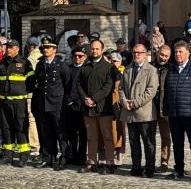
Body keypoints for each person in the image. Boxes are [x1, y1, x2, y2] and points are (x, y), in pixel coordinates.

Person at [164, 41, 191, 181]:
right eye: (176, 52)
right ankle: (179, 169)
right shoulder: (171, 69)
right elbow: (167, 91)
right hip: (175, 113)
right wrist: (166, 111)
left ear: (188, 53)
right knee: (177, 143)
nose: (178, 54)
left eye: (180, 52)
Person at [119, 44, 159, 178]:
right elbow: (121, 88)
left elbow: (151, 91)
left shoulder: (151, 70)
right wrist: (124, 101)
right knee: (133, 141)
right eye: (134, 52)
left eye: (139, 53)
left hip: (144, 113)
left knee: (148, 142)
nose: (136, 55)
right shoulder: (127, 69)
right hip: (129, 112)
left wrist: (135, 103)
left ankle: (149, 168)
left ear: (145, 54)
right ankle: (136, 167)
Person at [32, 37, 70, 170]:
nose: (46, 50)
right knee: (46, 132)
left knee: (60, 132)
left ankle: (64, 157)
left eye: (48, 48)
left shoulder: (61, 65)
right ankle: (48, 157)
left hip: (57, 103)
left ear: (55, 50)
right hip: (43, 103)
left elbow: (67, 83)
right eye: (44, 48)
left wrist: (64, 100)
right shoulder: (40, 64)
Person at [78, 40, 115, 174]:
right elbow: (79, 84)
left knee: (107, 137)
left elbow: (108, 87)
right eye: (93, 49)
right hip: (88, 108)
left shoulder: (109, 67)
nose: (94, 51)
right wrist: (85, 98)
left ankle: (109, 163)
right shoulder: (85, 66)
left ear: (102, 50)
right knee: (91, 137)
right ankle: (92, 162)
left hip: (103, 108)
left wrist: (94, 98)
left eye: (97, 49)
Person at [0, 39, 35, 167]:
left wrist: (21, 92)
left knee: (21, 127)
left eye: (11, 47)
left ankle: (23, 155)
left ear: (17, 49)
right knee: (6, 128)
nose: (8, 49)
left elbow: (31, 82)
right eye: (7, 47)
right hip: (4, 101)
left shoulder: (24, 63)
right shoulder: (2, 63)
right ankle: (8, 155)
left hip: (19, 102)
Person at [64, 46, 88, 167]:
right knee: (71, 133)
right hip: (69, 106)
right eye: (75, 56)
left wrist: (77, 99)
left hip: (82, 105)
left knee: (83, 134)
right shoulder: (68, 68)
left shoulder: (87, 69)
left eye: (80, 56)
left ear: (85, 57)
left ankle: (82, 157)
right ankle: (72, 155)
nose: (77, 58)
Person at [152, 44, 173, 173]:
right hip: (150, 107)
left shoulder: (171, 69)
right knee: (149, 136)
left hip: (165, 107)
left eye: (166, 56)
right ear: (157, 53)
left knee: (165, 136)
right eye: (162, 55)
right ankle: (150, 161)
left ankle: (164, 161)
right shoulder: (150, 67)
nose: (163, 58)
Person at [25, 37, 42, 157]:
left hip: (30, 93)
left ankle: (35, 146)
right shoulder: (41, 56)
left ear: (29, 46)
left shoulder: (30, 58)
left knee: (31, 120)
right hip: (40, 93)